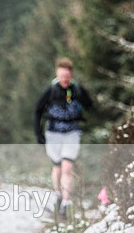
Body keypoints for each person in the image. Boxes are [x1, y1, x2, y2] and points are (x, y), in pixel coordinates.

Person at [33, 58, 93, 221]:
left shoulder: (77, 90)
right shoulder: (51, 91)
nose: (64, 79)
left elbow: (90, 105)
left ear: (71, 74)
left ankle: (66, 203)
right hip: (53, 133)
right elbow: (37, 111)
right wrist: (38, 133)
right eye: (61, 76)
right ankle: (58, 194)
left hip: (72, 132)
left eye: (67, 76)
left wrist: (82, 99)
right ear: (57, 74)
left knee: (67, 167)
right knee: (57, 168)